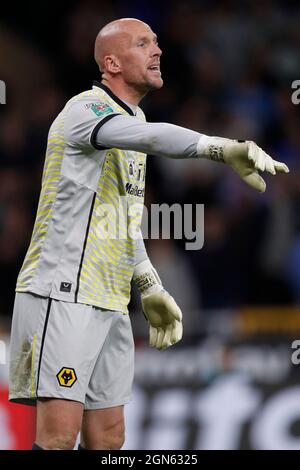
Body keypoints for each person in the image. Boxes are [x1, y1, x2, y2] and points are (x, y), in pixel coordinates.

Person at [8, 18, 289, 450]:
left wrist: (148, 283)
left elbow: (121, 218)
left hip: (110, 298)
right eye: (143, 44)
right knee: (59, 436)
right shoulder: (87, 109)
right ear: (112, 62)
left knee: (109, 437)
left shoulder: (133, 118)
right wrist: (219, 147)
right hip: (61, 292)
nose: (157, 51)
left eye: (157, 42)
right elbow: (154, 137)